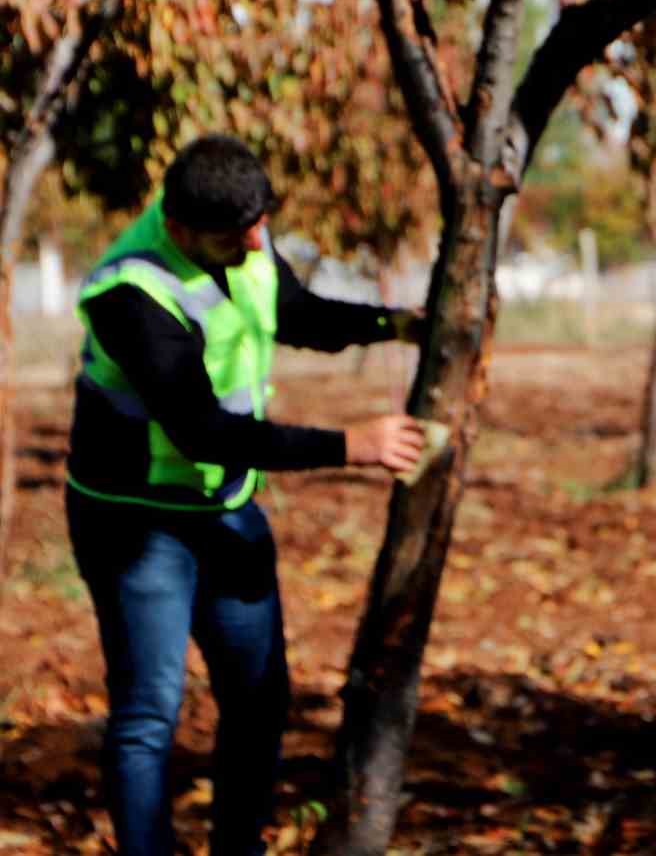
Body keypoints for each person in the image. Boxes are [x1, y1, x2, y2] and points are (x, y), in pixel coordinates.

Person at [64, 135, 427, 856]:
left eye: (263, 223)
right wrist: (348, 446)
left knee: (260, 700)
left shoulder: (245, 239)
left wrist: (393, 324)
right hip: (136, 526)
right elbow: (203, 432)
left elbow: (295, 313)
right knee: (148, 714)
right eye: (240, 233)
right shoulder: (132, 294)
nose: (259, 242)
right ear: (180, 230)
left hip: (225, 511)